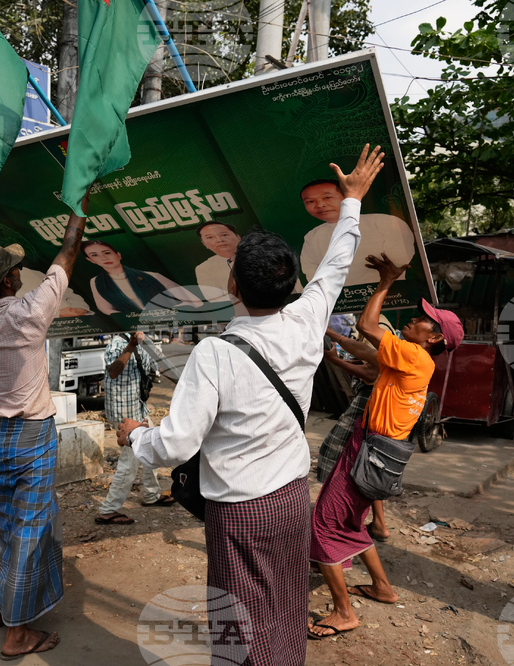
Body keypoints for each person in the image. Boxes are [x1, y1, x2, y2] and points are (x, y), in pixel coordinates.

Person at [117, 145, 386, 665]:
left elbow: (175, 443)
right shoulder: (307, 320)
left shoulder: (214, 353)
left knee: (239, 621)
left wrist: (133, 434)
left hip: (237, 510)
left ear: (233, 284)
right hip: (288, 499)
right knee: (283, 609)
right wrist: (350, 202)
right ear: (291, 285)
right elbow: (335, 265)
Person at [0, 196, 90, 660]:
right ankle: (17, 633)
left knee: (4, 522)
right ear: (8, 280)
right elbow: (68, 251)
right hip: (32, 434)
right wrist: (79, 195)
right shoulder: (29, 314)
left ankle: (0, 606)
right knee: (31, 527)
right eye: (12, 269)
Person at [307, 254, 464, 641]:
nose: (415, 317)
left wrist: (385, 283)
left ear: (434, 337)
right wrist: (332, 349)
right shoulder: (412, 361)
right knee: (349, 522)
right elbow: (367, 360)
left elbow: (366, 326)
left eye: (423, 318)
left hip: (368, 448)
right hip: (379, 451)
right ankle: (382, 588)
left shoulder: (414, 355)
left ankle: (343, 612)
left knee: (323, 526)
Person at [316, 314, 397, 544]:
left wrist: (335, 360)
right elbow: (366, 360)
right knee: (367, 462)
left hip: (371, 399)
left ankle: (340, 522)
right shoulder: (374, 326)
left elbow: (372, 372)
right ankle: (375, 523)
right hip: (375, 399)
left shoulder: (375, 327)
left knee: (333, 456)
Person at [95, 331, 176, 525]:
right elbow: (113, 372)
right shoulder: (115, 344)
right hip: (124, 411)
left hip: (139, 406)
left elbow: (161, 366)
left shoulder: (146, 341)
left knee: (153, 444)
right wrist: (130, 347)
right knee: (129, 462)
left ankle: (151, 494)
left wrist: (183, 381)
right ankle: (108, 509)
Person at [299, 179, 415, 285]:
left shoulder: (385, 222)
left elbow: (399, 263)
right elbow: (312, 271)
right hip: (341, 302)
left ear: (346, 197)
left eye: (327, 198)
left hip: (390, 294)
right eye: (310, 201)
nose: (320, 205)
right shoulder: (312, 236)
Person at [0, 233, 91, 318]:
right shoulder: (24, 317)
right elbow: (65, 258)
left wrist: (78, 307)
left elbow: (68, 293)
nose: (18, 270)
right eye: (15, 267)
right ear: (7, 282)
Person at [82, 240, 202, 315]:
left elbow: (195, 301)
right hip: (136, 329)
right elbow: (105, 308)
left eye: (107, 253)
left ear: (118, 255)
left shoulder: (152, 276)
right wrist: (131, 319)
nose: (104, 258)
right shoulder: (96, 282)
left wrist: (170, 312)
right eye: (95, 255)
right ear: (90, 260)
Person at [194, 221, 241, 302]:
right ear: (205, 244)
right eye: (210, 237)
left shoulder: (265, 253)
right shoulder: (204, 268)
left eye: (224, 235)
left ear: (238, 237)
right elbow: (214, 299)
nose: (219, 240)